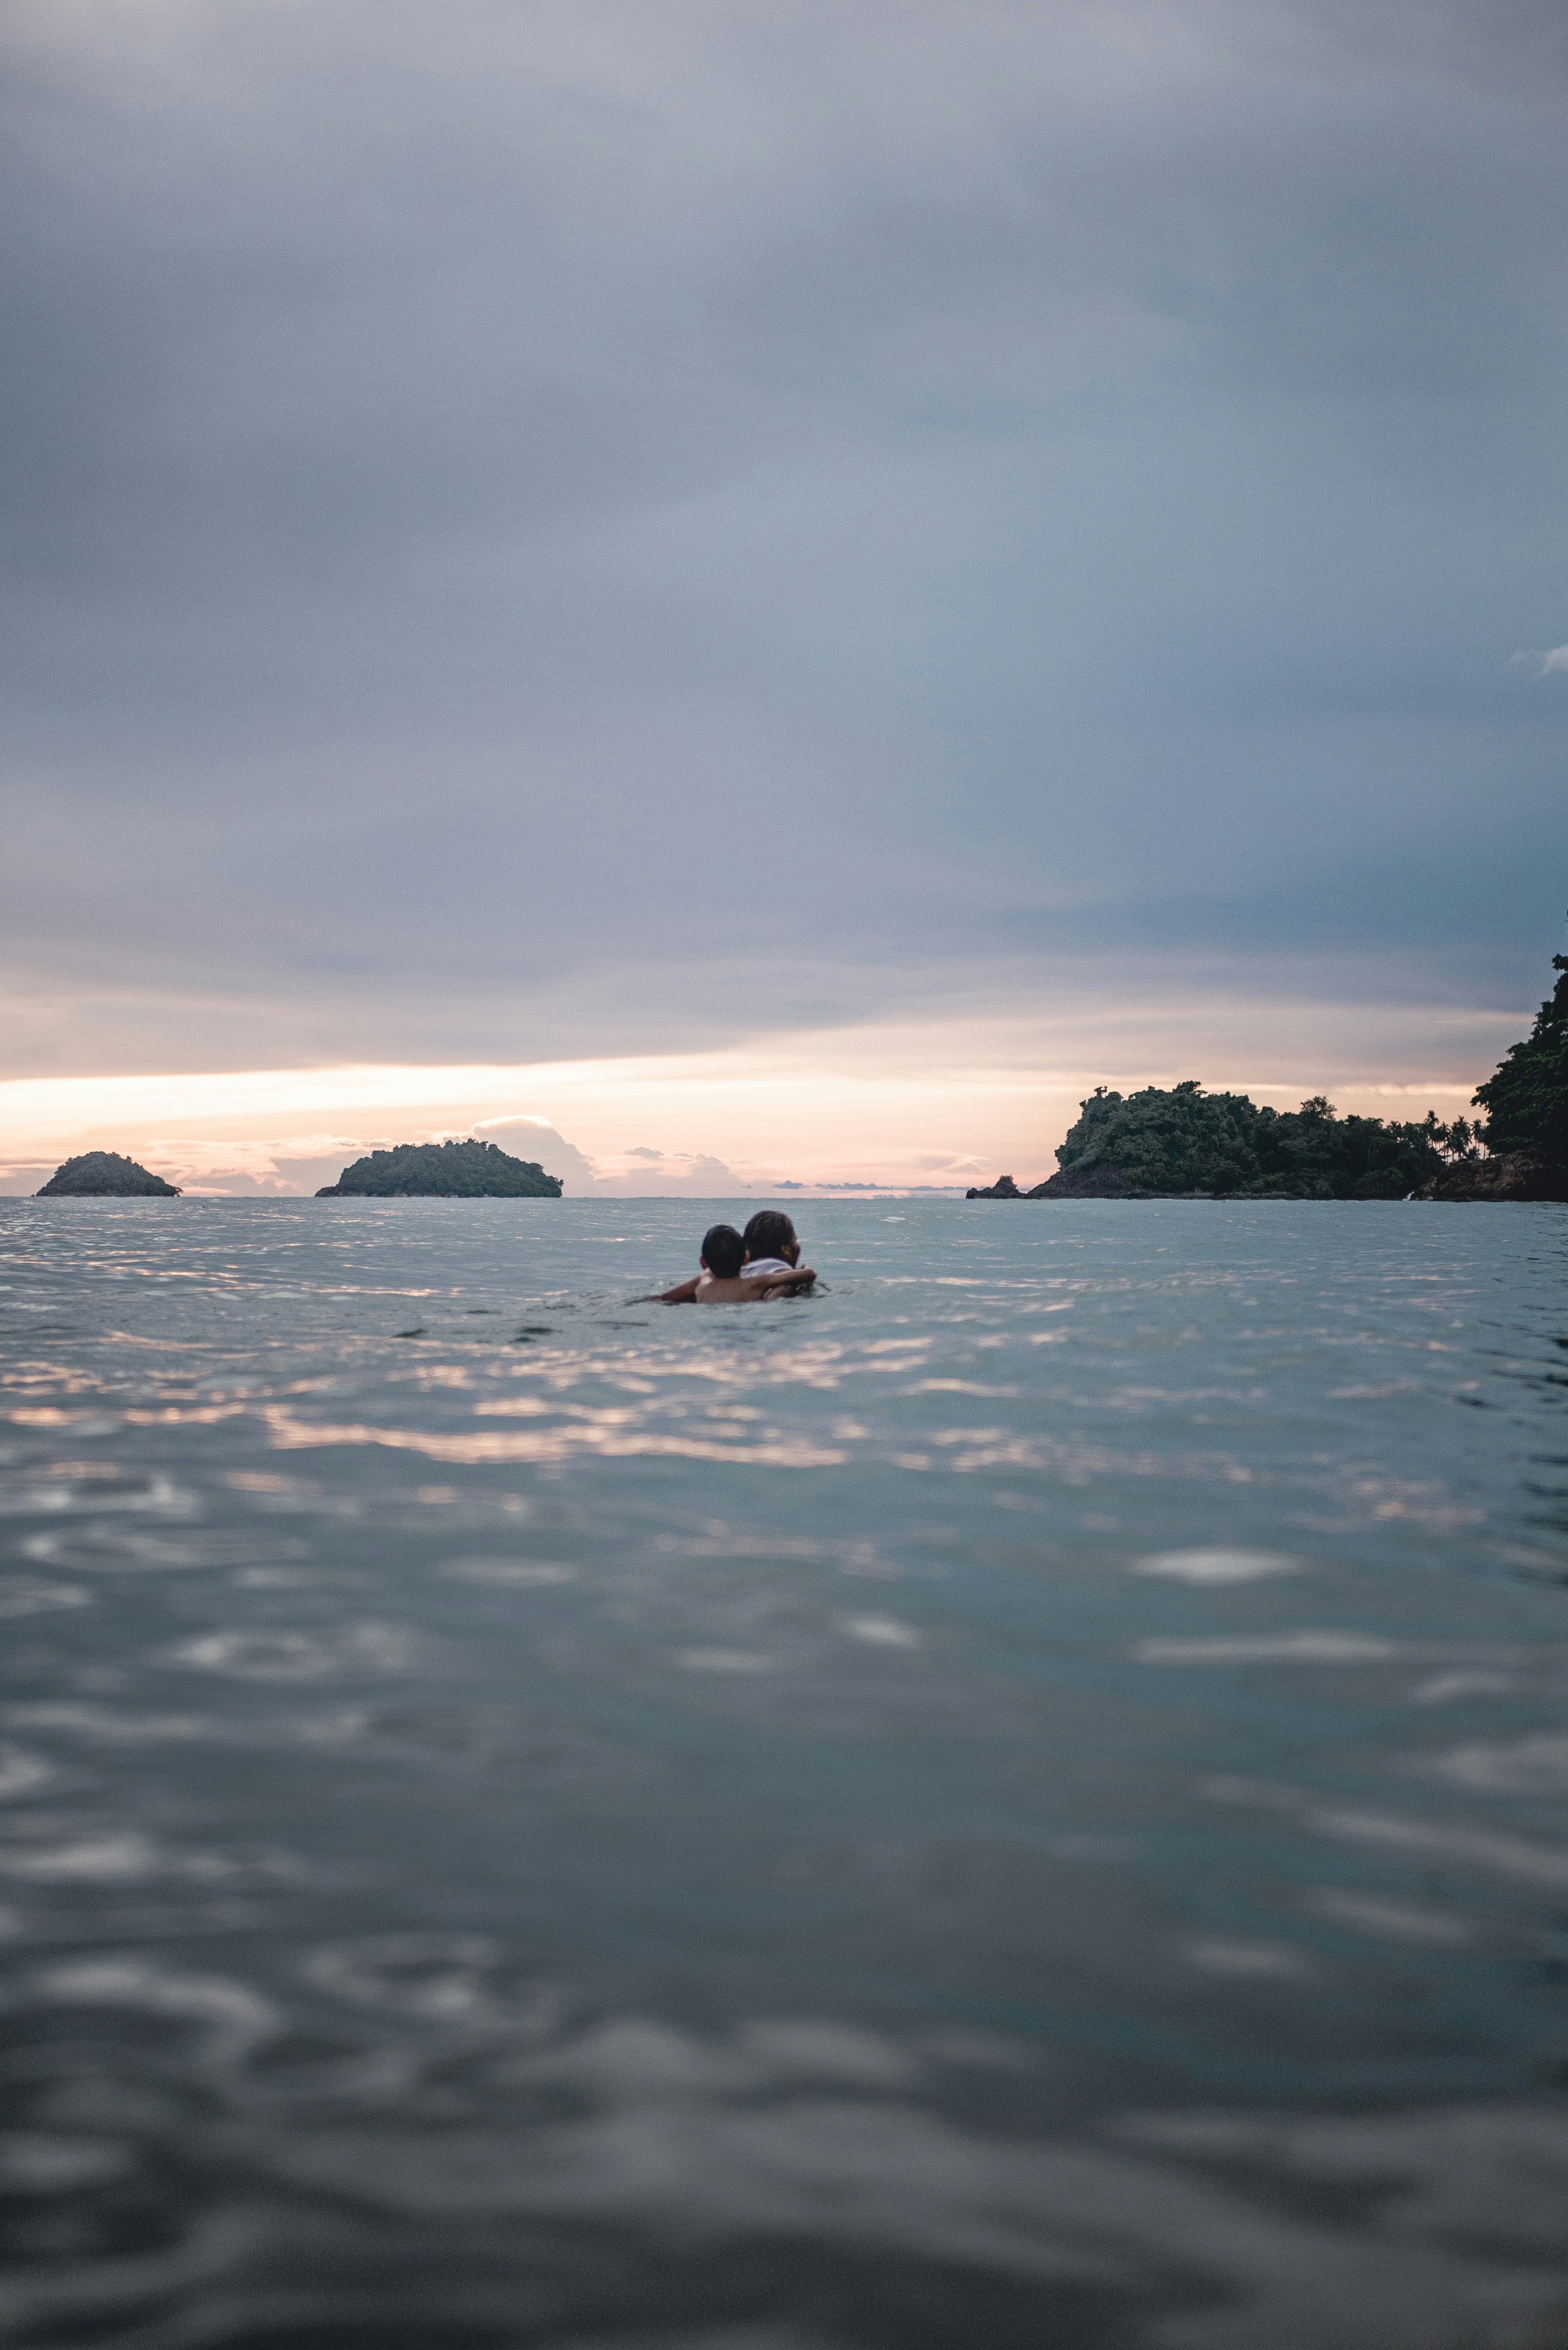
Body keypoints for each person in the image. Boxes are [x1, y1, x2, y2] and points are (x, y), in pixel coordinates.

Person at [656, 1221, 816, 1304]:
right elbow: (809, 1274)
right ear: (746, 1259)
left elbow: (664, 1299)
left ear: (704, 1263)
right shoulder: (758, 1283)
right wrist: (803, 1268)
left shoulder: (702, 1283)